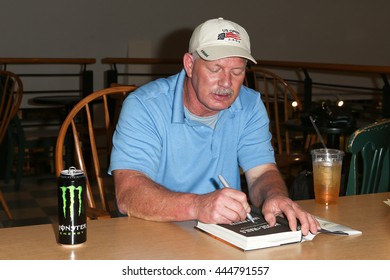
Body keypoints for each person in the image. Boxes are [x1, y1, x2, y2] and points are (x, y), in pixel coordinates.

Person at [109, 17, 320, 235]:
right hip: (153, 233)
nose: (226, 83)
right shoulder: (145, 105)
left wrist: (274, 195)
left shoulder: (249, 104)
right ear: (189, 65)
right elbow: (128, 193)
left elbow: (261, 174)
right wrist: (198, 205)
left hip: (225, 234)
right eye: (215, 69)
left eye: (237, 72)